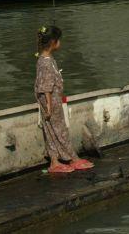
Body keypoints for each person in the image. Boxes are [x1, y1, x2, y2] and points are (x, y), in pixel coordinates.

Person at [35, 26, 94, 174]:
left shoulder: (45, 59)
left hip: (51, 99)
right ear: (54, 42)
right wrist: (49, 106)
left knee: (51, 130)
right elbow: (46, 87)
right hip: (51, 101)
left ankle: (54, 161)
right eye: (59, 40)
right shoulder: (46, 62)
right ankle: (72, 157)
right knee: (60, 130)